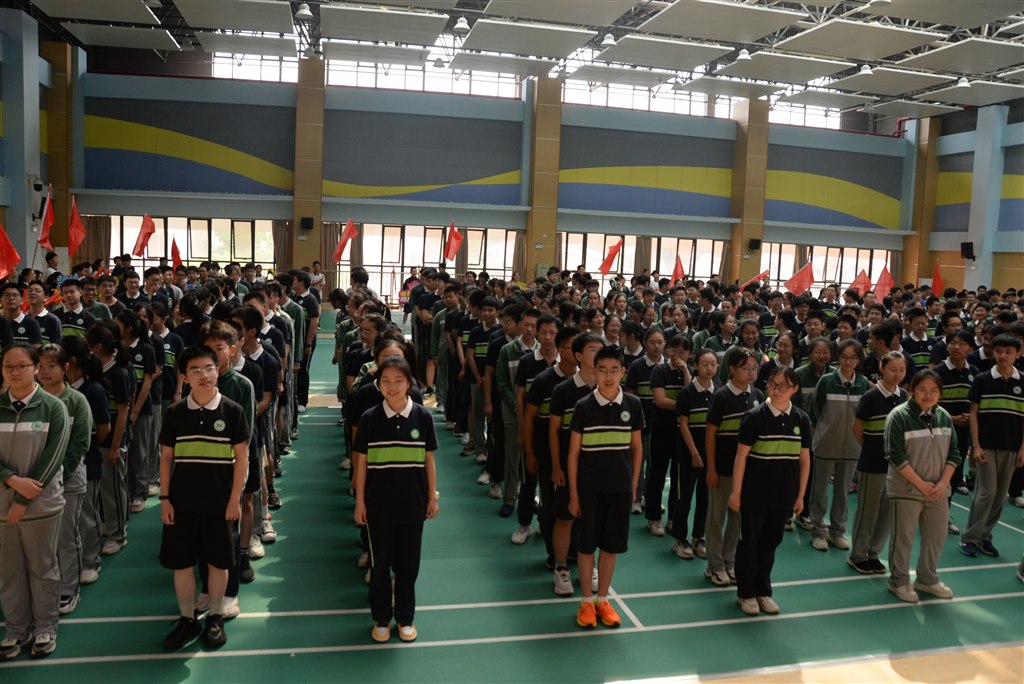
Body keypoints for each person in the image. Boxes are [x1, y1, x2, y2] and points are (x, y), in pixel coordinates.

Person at [158, 346, 250, 650]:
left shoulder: (233, 411)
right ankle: (187, 619)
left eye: (209, 368)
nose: (204, 375)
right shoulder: (175, 414)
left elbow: (242, 458)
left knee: (218, 563)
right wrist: (165, 499)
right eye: (195, 370)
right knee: (182, 564)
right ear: (184, 377)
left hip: (219, 504)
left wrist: (235, 500)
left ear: (218, 371)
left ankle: (214, 617)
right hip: (181, 504)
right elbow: (166, 459)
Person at [353, 358, 439, 644]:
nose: (392, 387)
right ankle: (381, 618)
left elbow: (429, 460)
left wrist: (432, 496)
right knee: (380, 567)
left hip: (413, 506)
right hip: (378, 508)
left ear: (409, 384)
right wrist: (360, 501)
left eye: (398, 381)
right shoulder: (369, 419)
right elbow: (362, 463)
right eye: (386, 381)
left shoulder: (423, 417)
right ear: (378, 385)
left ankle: (405, 617)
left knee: (408, 566)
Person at [0, 343, 71, 659]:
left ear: (36, 368)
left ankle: (45, 627)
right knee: (8, 570)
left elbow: (53, 457)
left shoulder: (53, 408)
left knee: (43, 567)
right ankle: (16, 630)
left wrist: (21, 500)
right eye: (8, 366)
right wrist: (11, 479)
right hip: (2, 507)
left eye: (22, 366)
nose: (15, 372)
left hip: (42, 506)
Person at [567, 345, 644, 629]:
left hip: (620, 489)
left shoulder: (633, 404)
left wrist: (633, 485)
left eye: (614, 371)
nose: (608, 377)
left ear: (623, 372)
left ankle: (602, 600)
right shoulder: (584, 406)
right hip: (589, 489)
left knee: (610, 548)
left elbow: (637, 448)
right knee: (586, 547)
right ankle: (586, 601)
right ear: (594, 371)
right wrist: (574, 495)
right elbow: (573, 454)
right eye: (602, 370)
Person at [729, 366, 811, 615]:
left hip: (783, 496)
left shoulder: (801, 419)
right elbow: (740, 457)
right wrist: (736, 492)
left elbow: (804, 460)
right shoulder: (754, 417)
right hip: (754, 495)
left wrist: (800, 495)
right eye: (772, 385)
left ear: (794, 389)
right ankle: (746, 594)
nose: (776, 390)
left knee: (770, 544)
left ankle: (763, 591)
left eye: (783, 386)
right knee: (749, 544)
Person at [883, 369, 961, 603]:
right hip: (906, 490)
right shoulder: (899, 416)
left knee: (936, 536)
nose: (928, 395)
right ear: (912, 390)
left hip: (938, 492)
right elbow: (895, 456)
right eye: (922, 390)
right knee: (903, 538)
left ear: (940, 393)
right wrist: (921, 485)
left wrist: (943, 483)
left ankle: (927, 579)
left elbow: (954, 454)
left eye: (934, 391)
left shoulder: (944, 417)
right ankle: (899, 581)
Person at [37, 344, 92, 617]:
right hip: (35, 483)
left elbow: (80, 443)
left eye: (52, 366)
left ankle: (69, 589)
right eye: (40, 366)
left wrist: (56, 476)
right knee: (41, 542)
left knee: (66, 537)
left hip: (68, 481)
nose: (45, 372)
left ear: (65, 368)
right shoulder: (33, 401)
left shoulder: (77, 401)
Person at [960, 334, 1024, 558]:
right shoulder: (982, 379)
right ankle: (969, 538)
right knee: (986, 493)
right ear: (993, 353)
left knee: (999, 496)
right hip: (986, 446)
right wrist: (976, 445)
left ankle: (985, 536)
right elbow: (974, 414)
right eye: (999, 351)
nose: (1003, 356)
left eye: (1008, 352)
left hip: (1011, 447)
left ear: (1018, 354)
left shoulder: (1022, 381)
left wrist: (1022, 449)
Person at [705, 348, 763, 586]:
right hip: (723, 469)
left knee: (737, 519)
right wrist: (711, 469)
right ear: (731, 369)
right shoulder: (721, 396)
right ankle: (715, 566)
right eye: (746, 368)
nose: (751, 373)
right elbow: (710, 434)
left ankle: (730, 562)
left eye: (754, 369)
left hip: (747, 472)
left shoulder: (758, 395)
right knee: (717, 519)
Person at [848, 352, 907, 575]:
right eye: (893, 369)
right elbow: (857, 427)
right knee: (868, 510)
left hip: (895, 465)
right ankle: (858, 555)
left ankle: (874, 553)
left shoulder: (904, 396)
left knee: (886, 512)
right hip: (872, 463)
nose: (897, 374)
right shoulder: (870, 397)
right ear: (882, 368)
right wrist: (870, 447)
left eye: (902, 370)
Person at [808, 339, 869, 552]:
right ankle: (818, 531)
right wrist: (818, 437)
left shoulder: (863, 384)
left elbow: (863, 417)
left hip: (852, 447)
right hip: (825, 445)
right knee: (820, 491)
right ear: (838, 358)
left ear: (859, 360)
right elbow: (814, 412)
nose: (848, 361)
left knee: (843, 491)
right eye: (844, 357)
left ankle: (837, 532)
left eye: (853, 358)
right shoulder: (827, 381)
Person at [672, 348, 716, 560]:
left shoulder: (719, 392)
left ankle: (699, 537)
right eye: (704, 364)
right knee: (684, 498)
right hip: (688, 455)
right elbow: (683, 425)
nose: (709, 368)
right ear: (696, 366)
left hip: (710, 456)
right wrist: (695, 453)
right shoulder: (687, 392)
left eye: (713, 364)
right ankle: (680, 539)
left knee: (705, 498)